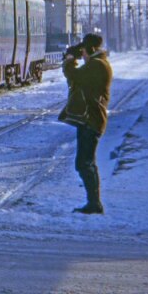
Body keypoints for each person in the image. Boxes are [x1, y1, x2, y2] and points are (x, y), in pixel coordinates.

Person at [62, 32, 113, 214]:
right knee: (84, 162)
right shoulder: (97, 64)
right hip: (89, 119)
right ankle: (94, 202)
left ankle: (95, 204)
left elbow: (75, 76)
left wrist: (69, 60)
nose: (81, 54)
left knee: (85, 163)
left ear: (91, 49)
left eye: (83, 51)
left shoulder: (97, 66)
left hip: (92, 120)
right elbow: (76, 79)